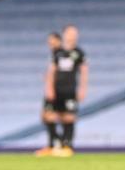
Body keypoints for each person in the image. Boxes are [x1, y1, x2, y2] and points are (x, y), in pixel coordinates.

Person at [45, 25, 87, 157]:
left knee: (68, 117)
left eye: (75, 33)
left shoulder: (79, 53)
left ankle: (67, 145)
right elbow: (51, 71)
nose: (73, 35)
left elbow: (84, 71)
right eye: (70, 33)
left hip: (70, 89)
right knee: (48, 116)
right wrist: (49, 88)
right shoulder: (57, 52)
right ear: (64, 34)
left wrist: (82, 88)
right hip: (56, 89)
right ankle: (54, 144)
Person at [34, 32, 64, 157]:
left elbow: (60, 72)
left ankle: (57, 143)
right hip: (52, 89)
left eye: (52, 40)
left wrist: (50, 85)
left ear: (58, 40)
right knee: (45, 116)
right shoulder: (54, 54)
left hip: (55, 90)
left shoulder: (60, 54)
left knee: (51, 116)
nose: (49, 43)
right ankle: (54, 143)